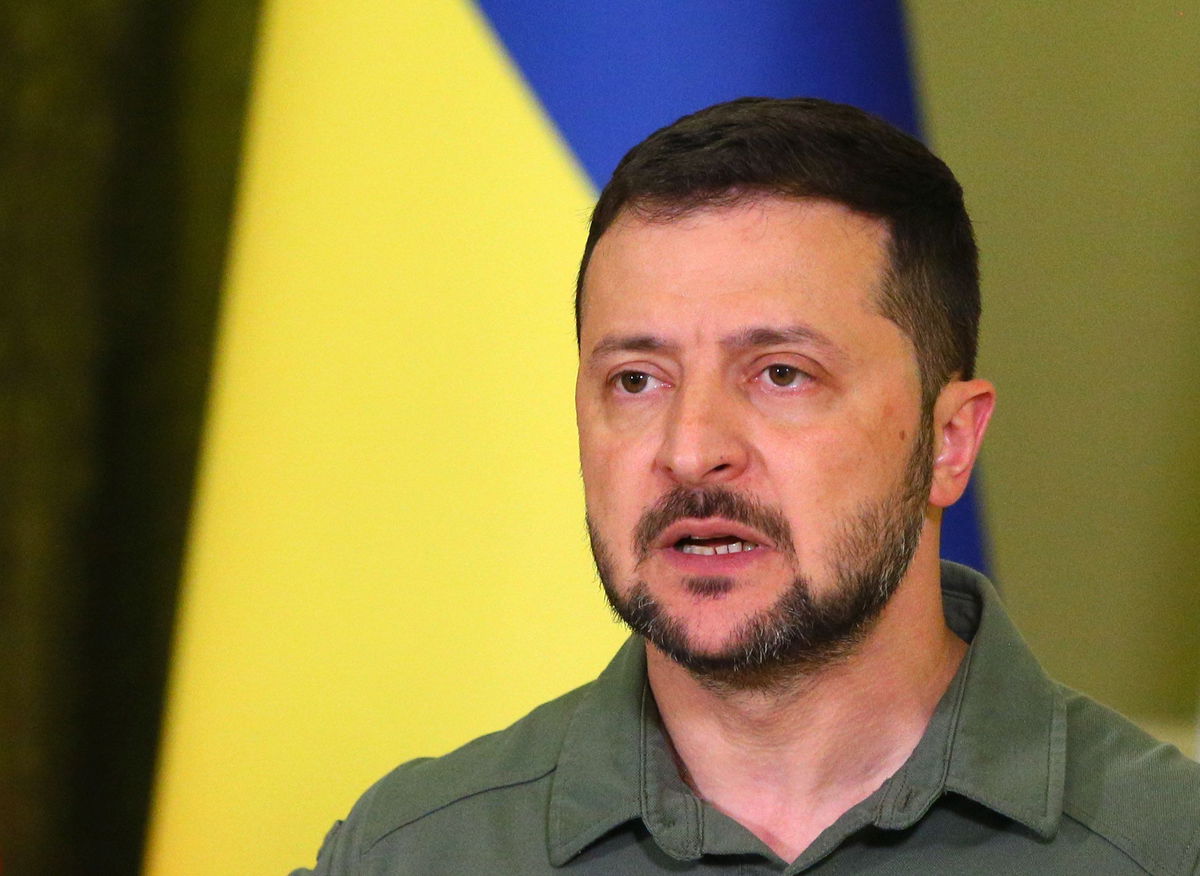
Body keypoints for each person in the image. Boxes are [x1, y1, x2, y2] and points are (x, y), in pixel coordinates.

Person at [293, 97, 1200, 874]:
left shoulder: (1166, 847)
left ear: (948, 440)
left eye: (780, 374)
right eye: (637, 381)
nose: (690, 451)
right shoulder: (412, 853)